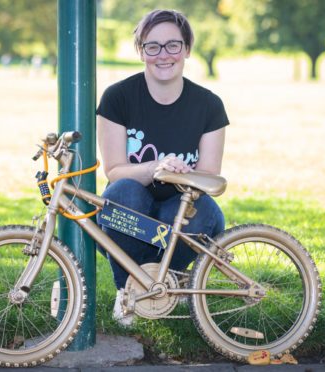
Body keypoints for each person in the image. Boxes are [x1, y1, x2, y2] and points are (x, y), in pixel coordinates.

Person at [96, 9, 229, 326]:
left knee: (204, 212)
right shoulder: (118, 97)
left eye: (173, 45)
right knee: (121, 194)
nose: (163, 55)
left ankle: (168, 288)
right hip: (133, 206)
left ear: (186, 49)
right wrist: (156, 167)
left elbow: (210, 175)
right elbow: (114, 169)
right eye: (152, 46)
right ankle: (127, 292)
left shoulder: (209, 104)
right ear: (141, 51)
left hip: (181, 207)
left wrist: (182, 174)